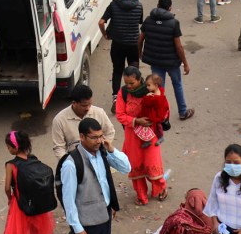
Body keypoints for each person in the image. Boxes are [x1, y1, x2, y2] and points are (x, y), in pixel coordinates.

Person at [60, 118, 131, 234]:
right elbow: (68, 200)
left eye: (101, 136)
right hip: (86, 224)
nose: (99, 141)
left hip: (104, 218)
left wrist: (111, 148)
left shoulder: (103, 152)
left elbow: (126, 167)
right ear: (82, 137)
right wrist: (77, 229)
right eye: (94, 137)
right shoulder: (71, 164)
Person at [114, 68, 168, 206]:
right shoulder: (123, 93)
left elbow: (164, 108)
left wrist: (154, 119)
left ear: (139, 80)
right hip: (132, 136)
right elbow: (120, 114)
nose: (129, 86)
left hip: (150, 134)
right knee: (136, 166)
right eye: (126, 83)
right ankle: (141, 196)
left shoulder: (152, 89)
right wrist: (137, 121)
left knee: (152, 163)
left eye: (132, 83)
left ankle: (161, 187)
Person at [2, 131, 56, 234]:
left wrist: (10, 198)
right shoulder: (34, 159)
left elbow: (7, 187)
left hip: (20, 202)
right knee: (36, 227)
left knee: (20, 228)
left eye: (9, 147)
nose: (8, 149)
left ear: (15, 147)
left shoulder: (11, 165)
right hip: (37, 201)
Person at [139, 0, 194, 121]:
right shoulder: (174, 23)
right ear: (170, 8)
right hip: (172, 62)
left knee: (158, 88)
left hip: (155, 60)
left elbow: (140, 39)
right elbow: (178, 46)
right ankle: (183, 112)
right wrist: (185, 63)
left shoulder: (148, 20)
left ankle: (159, 113)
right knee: (177, 85)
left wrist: (140, 53)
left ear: (157, 5)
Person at [100, 0, 143, 107]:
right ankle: (134, 97)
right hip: (133, 44)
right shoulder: (139, 6)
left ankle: (115, 99)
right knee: (134, 71)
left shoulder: (114, 4)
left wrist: (105, 35)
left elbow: (101, 22)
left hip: (118, 44)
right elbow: (139, 22)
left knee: (117, 70)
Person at [50, 84, 116, 159]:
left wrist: (101, 148)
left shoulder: (99, 113)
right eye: (84, 106)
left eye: (90, 104)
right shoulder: (59, 120)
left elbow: (110, 132)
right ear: (74, 103)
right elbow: (59, 148)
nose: (88, 108)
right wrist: (68, 162)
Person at [133, 74, 169, 148]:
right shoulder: (159, 91)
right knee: (156, 127)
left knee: (146, 126)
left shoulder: (154, 97)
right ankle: (158, 137)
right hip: (158, 114)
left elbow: (146, 103)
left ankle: (148, 140)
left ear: (155, 85)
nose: (147, 87)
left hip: (153, 115)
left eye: (149, 85)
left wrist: (147, 96)